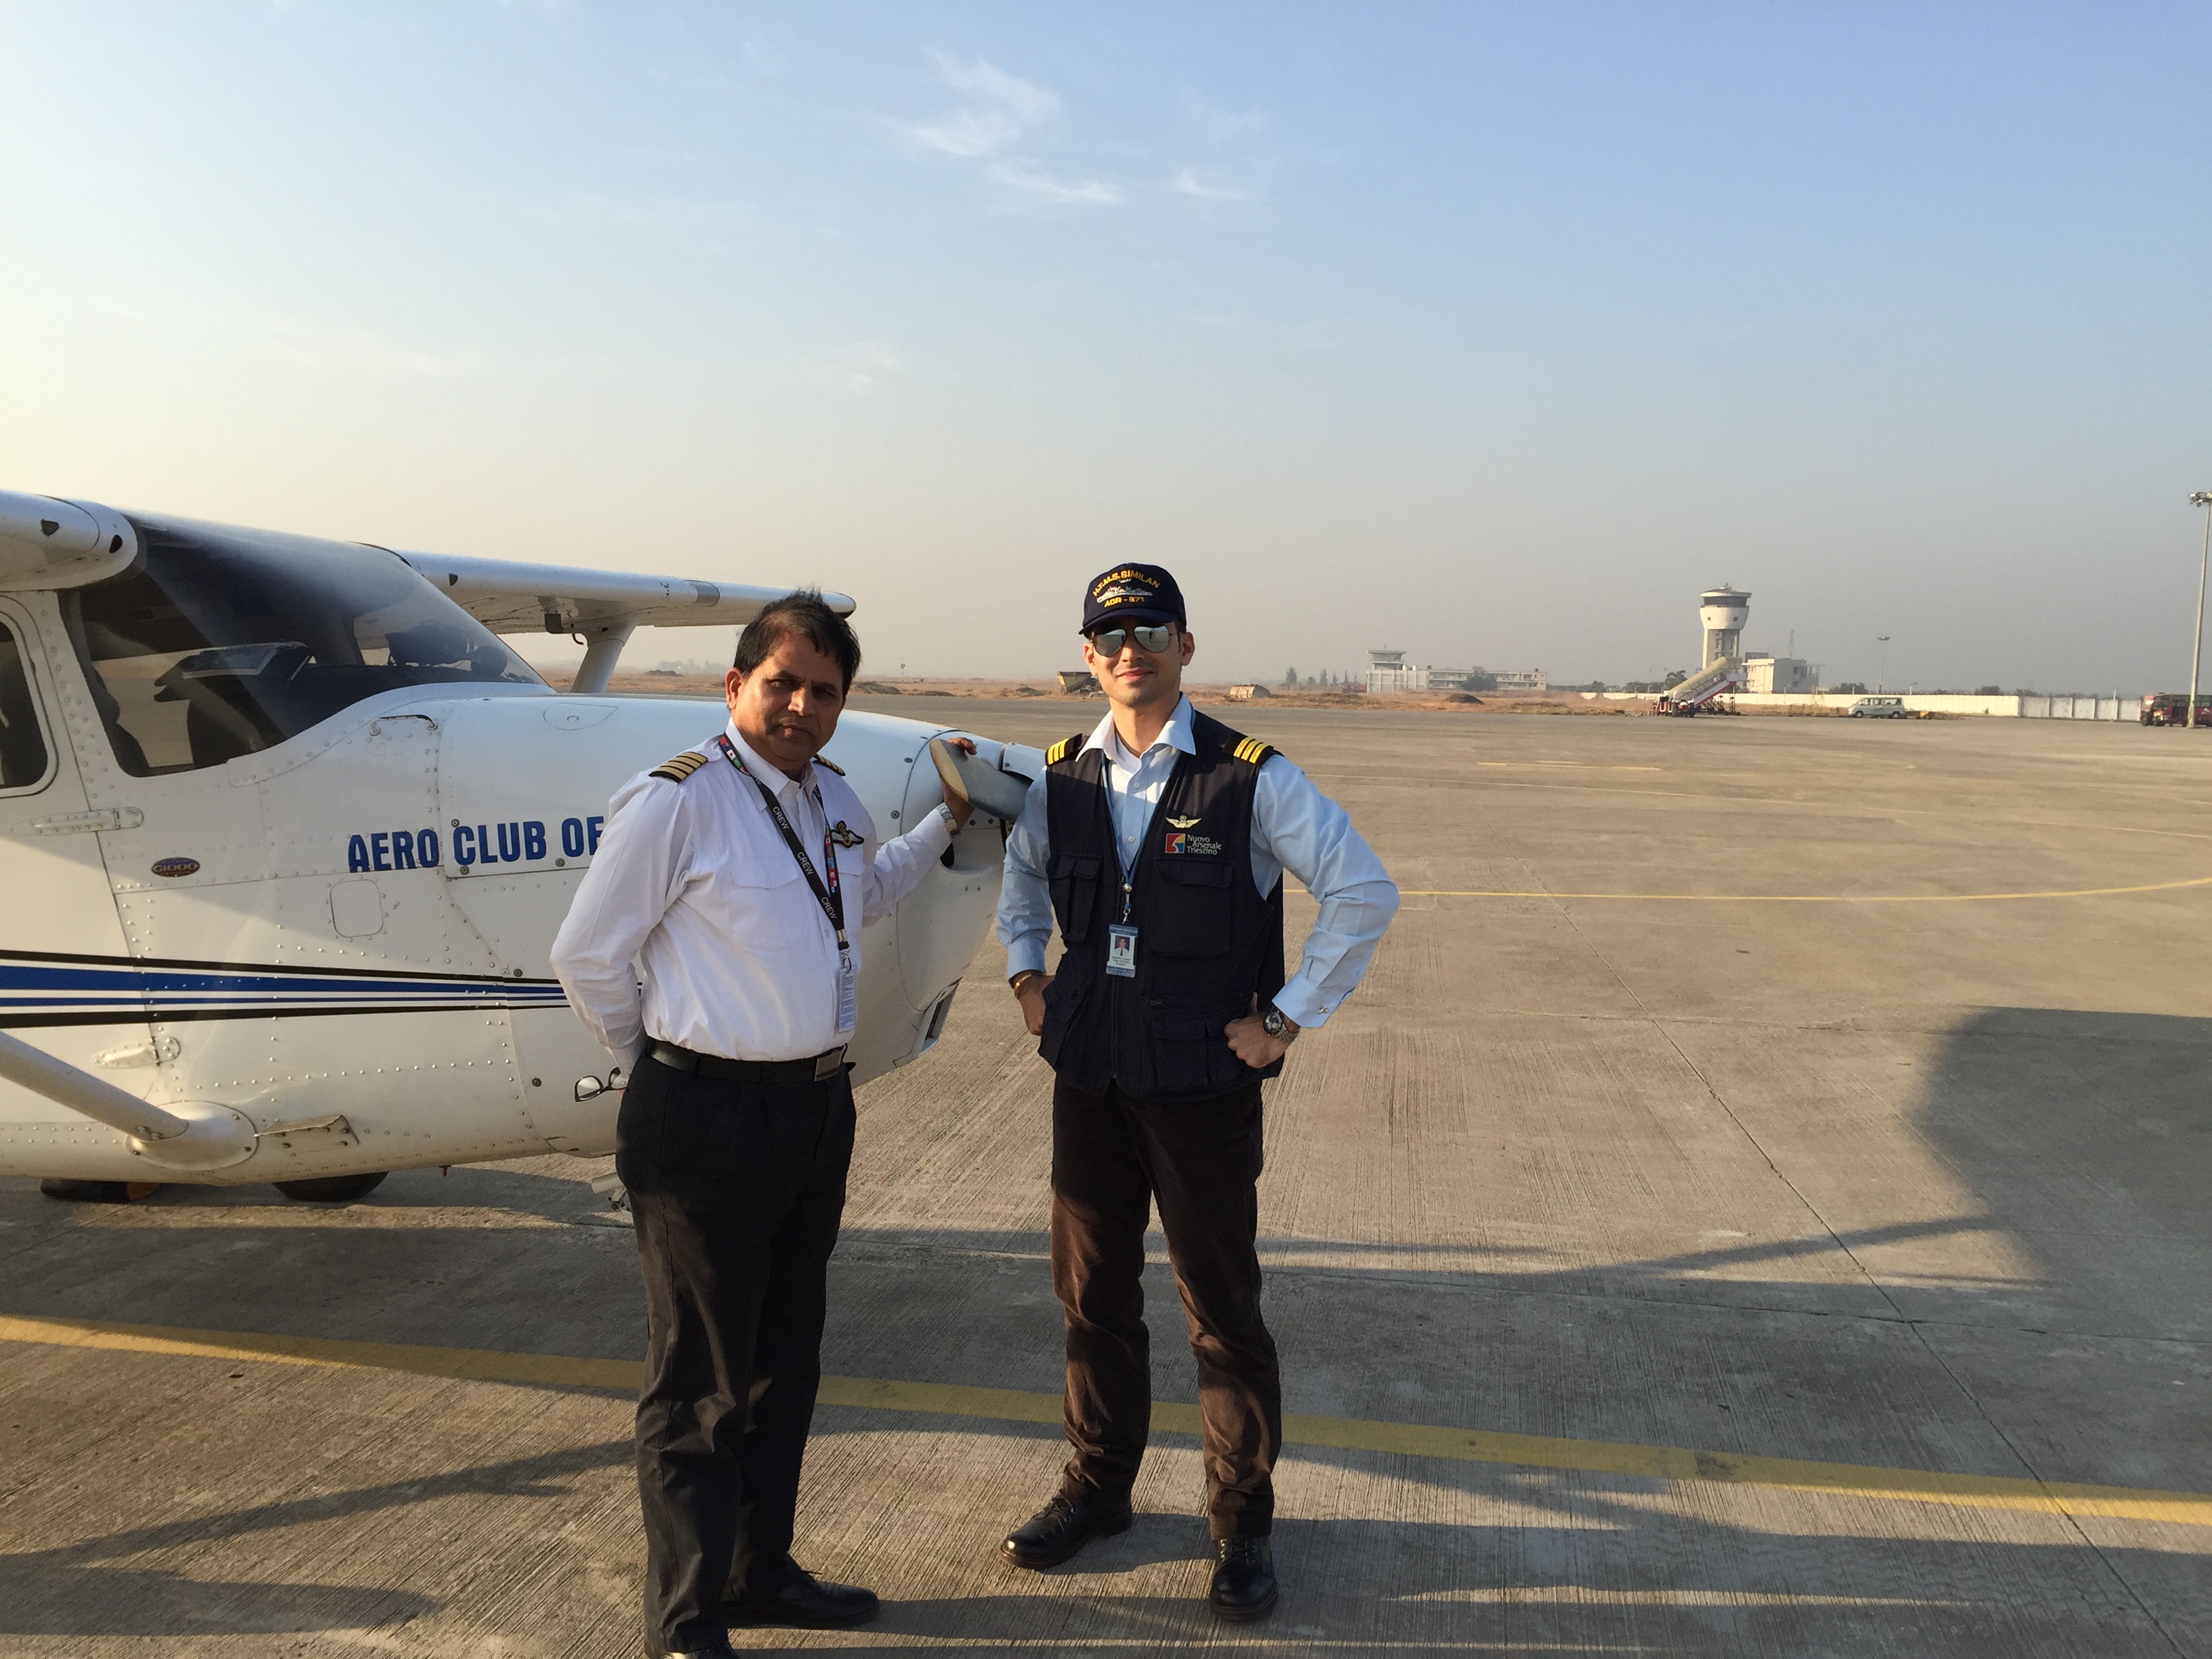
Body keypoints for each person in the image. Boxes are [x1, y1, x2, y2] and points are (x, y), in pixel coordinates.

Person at [550, 593, 974, 1659]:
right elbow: (587, 956)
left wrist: (945, 826)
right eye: (782, 684)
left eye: (824, 691)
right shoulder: (677, 802)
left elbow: (862, 894)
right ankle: (687, 1620)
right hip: (704, 1117)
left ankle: (758, 1571)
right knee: (700, 1384)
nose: (801, 707)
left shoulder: (834, 799)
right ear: (736, 685)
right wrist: (665, 1064)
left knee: (786, 1362)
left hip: (814, 1110)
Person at [994, 563, 1399, 1622]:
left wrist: (1285, 1020)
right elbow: (1020, 875)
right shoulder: (1060, 776)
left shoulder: (1250, 777)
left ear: (1184, 645)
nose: (1130, 649)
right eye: (1110, 634)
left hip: (1201, 1089)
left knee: (1220, 1311)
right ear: (1089, 655)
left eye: (1150, 630)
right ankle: (1098, 1489)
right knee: (1092, 1296)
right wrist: (1027, 976)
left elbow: (1363, 890)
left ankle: (1241, 1524)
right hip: (1090, 1078)